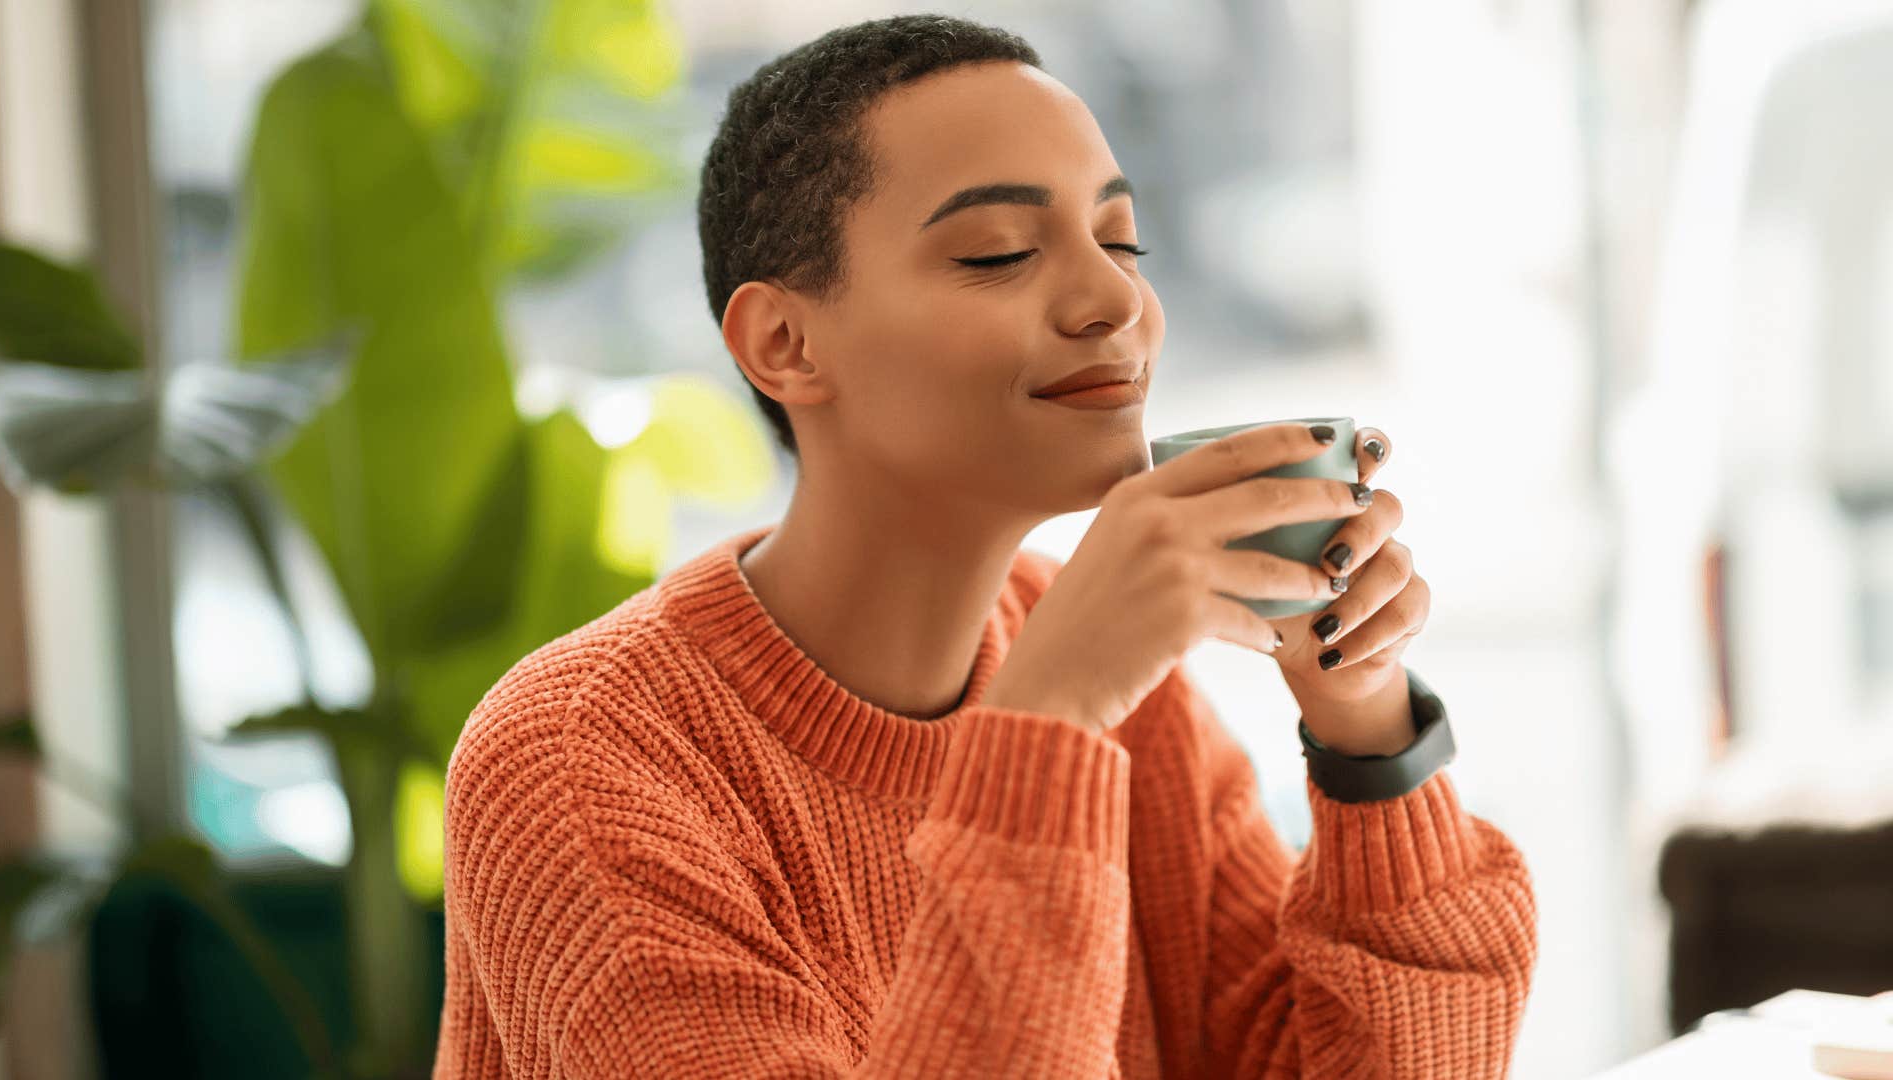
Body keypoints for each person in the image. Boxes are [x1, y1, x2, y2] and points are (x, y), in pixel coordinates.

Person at [432, 14, 1537, 1079]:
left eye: (1122, 239)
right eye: (1000, 253)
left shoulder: (1130, 705)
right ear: (784, 343)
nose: (1118, 299)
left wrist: (1366, 736)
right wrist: (1045, 726)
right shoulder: (580, 766)